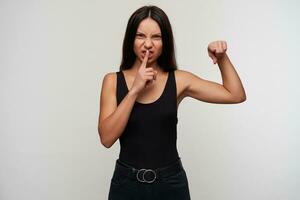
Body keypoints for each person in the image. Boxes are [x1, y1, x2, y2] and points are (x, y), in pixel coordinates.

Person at [98, 5, 246, 200]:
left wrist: (221, 57)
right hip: (126, 184)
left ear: (165, 41)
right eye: (141, 36)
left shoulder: (179, 80)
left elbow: (235, 95)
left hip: (170, 184)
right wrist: (135, 90)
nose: (148, 44)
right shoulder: (112, 81)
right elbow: (106, 139)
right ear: (130, 40)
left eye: (156, 37)